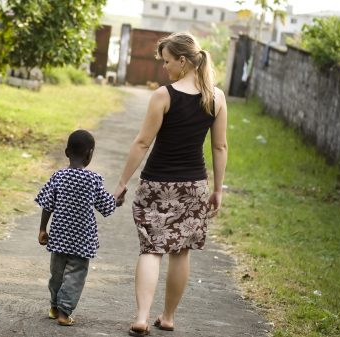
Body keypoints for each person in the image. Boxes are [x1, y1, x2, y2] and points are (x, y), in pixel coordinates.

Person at [112, 32, 228, 336]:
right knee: (181, 251)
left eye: (166, 62)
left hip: (157, 185)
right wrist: (217, 189)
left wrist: (122, 182)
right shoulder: (215, 97)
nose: (164, 68)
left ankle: (141, 316)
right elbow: (220, 147)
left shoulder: (164, 95)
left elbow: (142, 142)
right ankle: (168, 318)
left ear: (182, 60)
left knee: (152, 249)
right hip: (194, 187)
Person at [35, 129, 125, 326]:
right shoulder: (93, 180)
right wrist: (117, 200)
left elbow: (47, 204)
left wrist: (43, 229)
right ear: (89, 154)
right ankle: (64, 313)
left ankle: (54, 307)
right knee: (75, 275)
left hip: (58, 237)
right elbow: (106, 206)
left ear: (67, 152)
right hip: (82, 241)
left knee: (57, 274)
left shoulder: (58, 176)